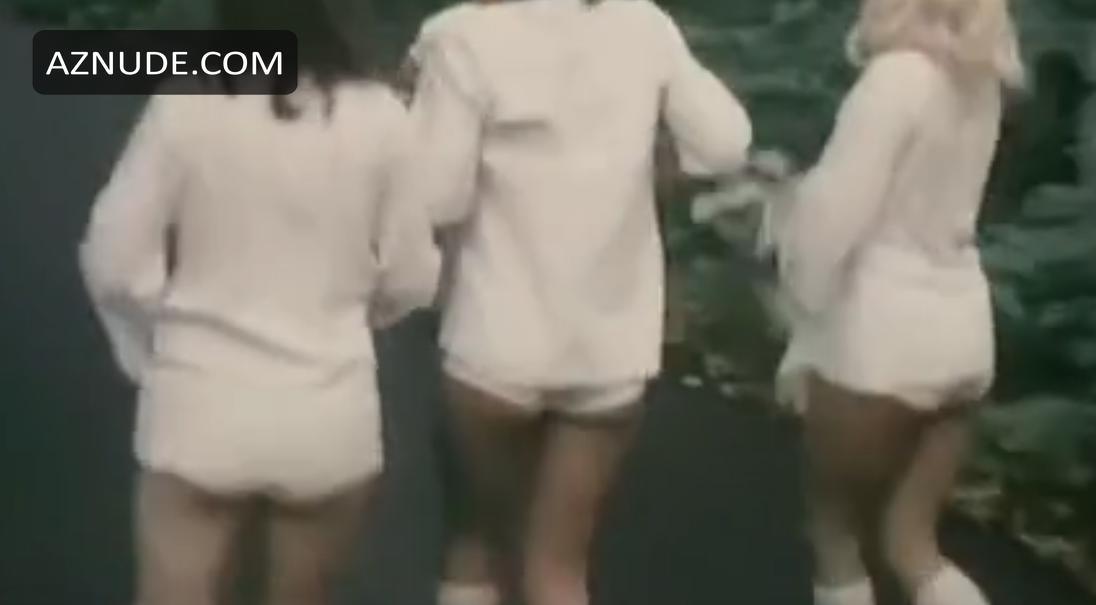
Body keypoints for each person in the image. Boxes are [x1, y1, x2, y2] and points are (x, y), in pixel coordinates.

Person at [77, 0, 441, 603]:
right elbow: (413, 276)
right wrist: (350, 317)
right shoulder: (382, 119)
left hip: (199, 409)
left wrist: (154, 346)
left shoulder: (187, 108)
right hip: (327, 418)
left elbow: (112, 256)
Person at [401, 1, 752, 604]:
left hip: (496, 344)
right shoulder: (642, 24)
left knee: (474, 550)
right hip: (611, 353)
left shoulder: (463, 37)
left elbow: (437, 198)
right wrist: (656, 170)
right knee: (560, 570)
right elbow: (724, 146)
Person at [771, 0, 1025, 604]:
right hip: (961, 334)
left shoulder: (894, 80)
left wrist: (795, 288)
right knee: (913, 545)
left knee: (834, 535)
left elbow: (829, 222)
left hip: (879, 339)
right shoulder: (981, 80)